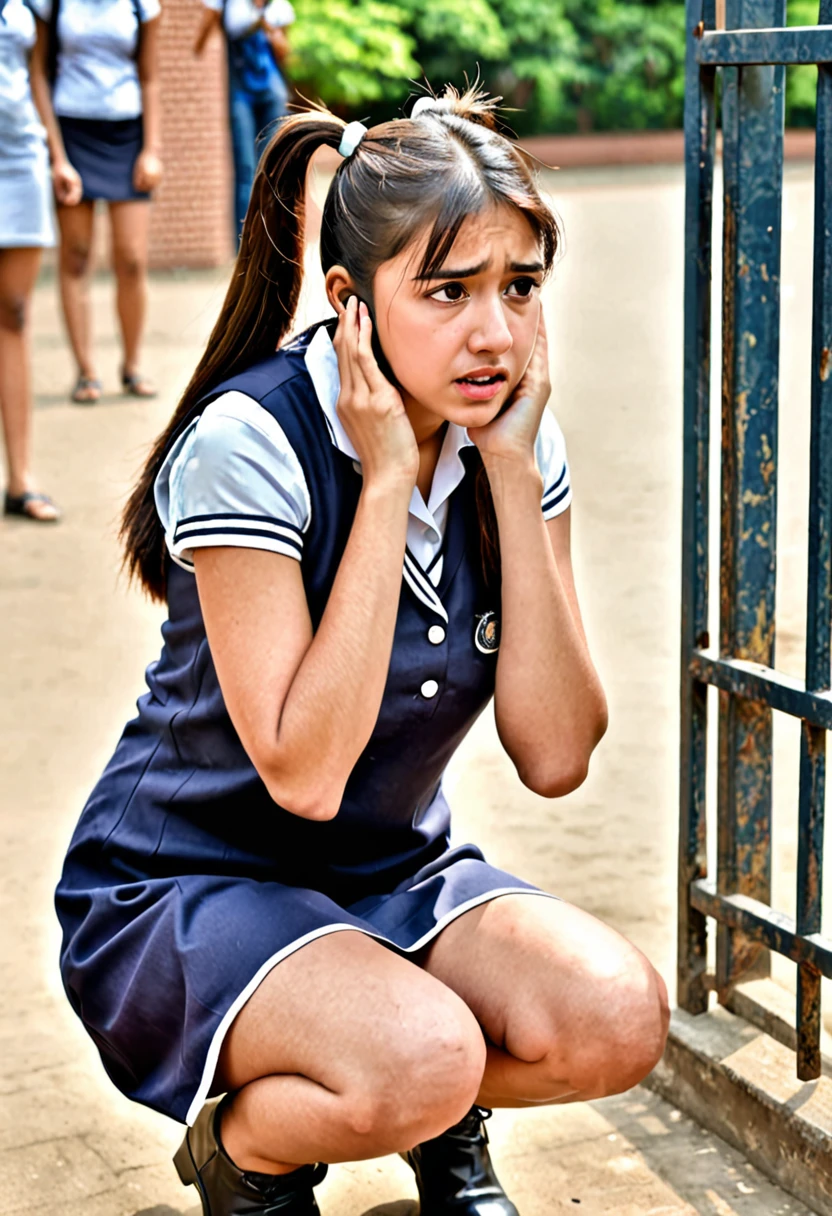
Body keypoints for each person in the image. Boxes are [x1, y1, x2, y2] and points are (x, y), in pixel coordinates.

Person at [55, 86, 669, 1216]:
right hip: (189, 878)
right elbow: (305, 770)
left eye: (519, 288)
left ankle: (425, 1098)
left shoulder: (511, 446)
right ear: (350, 302)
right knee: (424, 1053)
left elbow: (554, 752)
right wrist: (387, 478)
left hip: (384, 873)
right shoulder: (253, 442)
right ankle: (251, 1154)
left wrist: (514, 477)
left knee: (619, 1016)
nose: (494, 333)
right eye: (447, 292)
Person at [27, 0, 163, 404]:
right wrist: (57, 155)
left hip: (128, 133)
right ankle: (86, 371)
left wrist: (151, 149)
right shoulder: (50, 4)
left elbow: (151, 77)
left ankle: (133, 364)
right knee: (77, 255)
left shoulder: (143, 6)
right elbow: (37, 73)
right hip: (71, 131)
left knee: (132, 257)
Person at [0, 0, 68, 522]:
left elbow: (33, 71)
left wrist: (57, 158)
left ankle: (20, 478)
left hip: (19, 155)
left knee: (14, 313)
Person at [194, 0, 293, 240]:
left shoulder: (278, 6)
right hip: (241, 92)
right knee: (246, 170)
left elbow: (285, 54)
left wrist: (272, 31)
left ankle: (276, 241)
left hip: (272, 90)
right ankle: (245, 245)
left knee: (274, 165)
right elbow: (200, 43)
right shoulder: (228, 4)